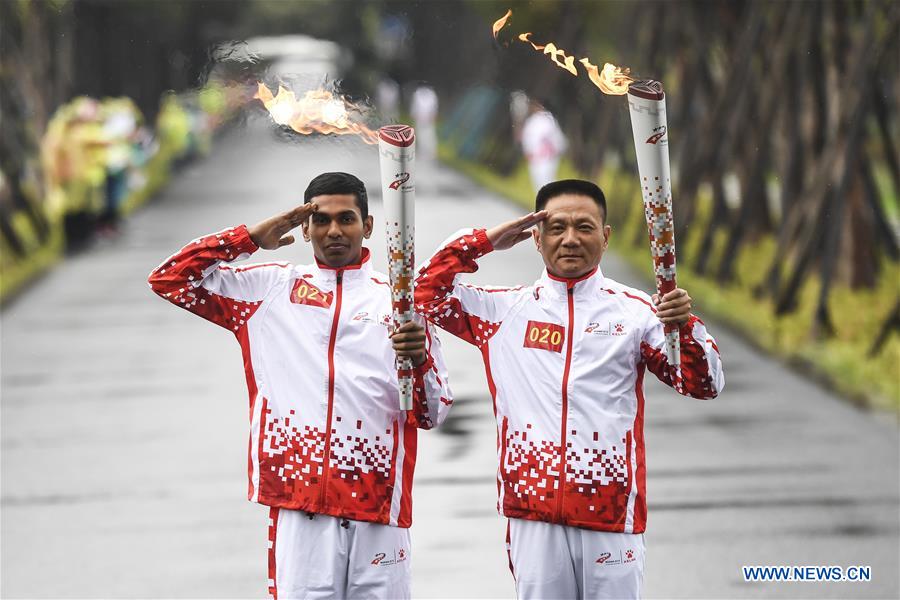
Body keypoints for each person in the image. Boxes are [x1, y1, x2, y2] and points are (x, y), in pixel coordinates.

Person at [414, 179, 724, 599]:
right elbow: (424, 293)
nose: (571, 239)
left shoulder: (638, 315)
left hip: (611, 515)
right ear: (536, 238)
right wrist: (484, 241)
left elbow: (703, 383)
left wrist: (683, 326)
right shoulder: (502, 313)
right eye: (557, 227)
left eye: (584, 227)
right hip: (533, 515)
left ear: (606, 236)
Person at [148, 172, 452, 599]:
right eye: (321, 220)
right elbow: (170, 280)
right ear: (304, 227)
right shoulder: (268, 290)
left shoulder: (402, 303)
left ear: (368, 226)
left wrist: (419, 362)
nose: (333, 230)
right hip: (300, 508)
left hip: (379, 511)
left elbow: (431, 412)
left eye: (346, 218)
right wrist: (249, 238)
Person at [520, 100, 567, 193]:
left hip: (544, 155)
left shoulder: (543, 120)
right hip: (543, 155)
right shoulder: (541, 119)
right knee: (543, 181)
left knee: (543, 181)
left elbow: (533, 138)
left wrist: (529, 150)